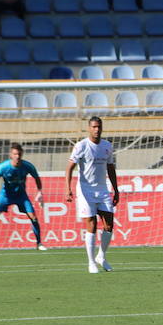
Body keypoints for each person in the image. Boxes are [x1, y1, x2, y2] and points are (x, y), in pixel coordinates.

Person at [65, 116, 120, 274]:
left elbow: (110, 168)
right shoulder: (81, 146)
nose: (97, 130)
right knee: (92, 225)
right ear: (89, 128)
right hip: (85, 190)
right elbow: (69, 167)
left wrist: (116, 189)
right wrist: (67, 188)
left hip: (103, 189)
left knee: (109, 224)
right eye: (94, 127)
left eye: (99, 127)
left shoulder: (107, 146)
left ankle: (101, 256)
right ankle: (91, 262)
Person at [0, 143, 47, 252]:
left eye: (19, 154)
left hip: (21, 196)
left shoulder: (27, 166)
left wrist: (40, 192)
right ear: (11, 155)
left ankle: (39, 243)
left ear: (22, 154)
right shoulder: (3, 167)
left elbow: (36, 177)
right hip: (6, 195)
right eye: (15, 154)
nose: (17, 156)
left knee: (33, 217)